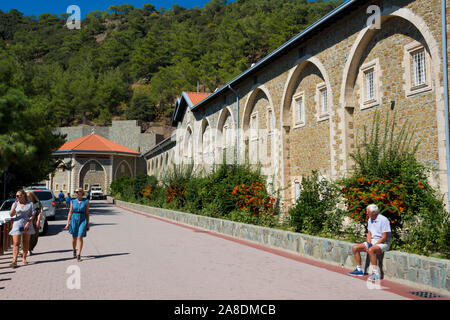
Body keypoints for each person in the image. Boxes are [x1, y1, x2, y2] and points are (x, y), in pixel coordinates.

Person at [349, 204, 391, 281]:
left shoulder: (384, 220)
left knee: (371, 250)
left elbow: (384, 238)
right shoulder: (370, 219)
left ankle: (376, 273)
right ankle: (359, 270)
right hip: (373, 241)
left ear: (374, 212)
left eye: (368, 212)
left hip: (383, 243)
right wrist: (369, 243)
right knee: (355, 248)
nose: (366, 213)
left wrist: (373, 245)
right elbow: (369, 233)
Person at [8, 190, 37, 268]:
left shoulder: (30, 204)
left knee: (25, 242)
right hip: (17, 224)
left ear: (23, 195)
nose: (17, 197)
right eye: (16, 196)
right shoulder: (15, 204)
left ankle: (24, 258)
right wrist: (14, 207)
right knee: (16, 243)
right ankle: (14, 261)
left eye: (19, 195)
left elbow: (33, 215)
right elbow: (11, 215)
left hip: (27, 224)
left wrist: (28, 223)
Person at [64, 188, 90, 262]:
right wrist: (67, 223)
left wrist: (88, 224)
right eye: (75, 192)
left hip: (83, 219)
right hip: (74, 219)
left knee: (80, 237)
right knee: (74, 238)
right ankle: (74, 250)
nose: (75, 193)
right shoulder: (73, 201)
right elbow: (70, 212)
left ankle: (79, 255)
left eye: (77, 192)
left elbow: (87, 213)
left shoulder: (86, 201)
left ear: (81, 193)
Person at [26, 191, 42, 255]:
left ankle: (30, 248)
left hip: (34, 220)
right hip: (27, 221)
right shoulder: (25, 203)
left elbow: (39, 213)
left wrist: (38, 221)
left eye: (29, 197)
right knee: (26, 236)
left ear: (32, 197)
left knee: (34, 236)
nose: (27, 198)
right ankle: (26, 249)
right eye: (26, 197)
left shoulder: (37, 203)